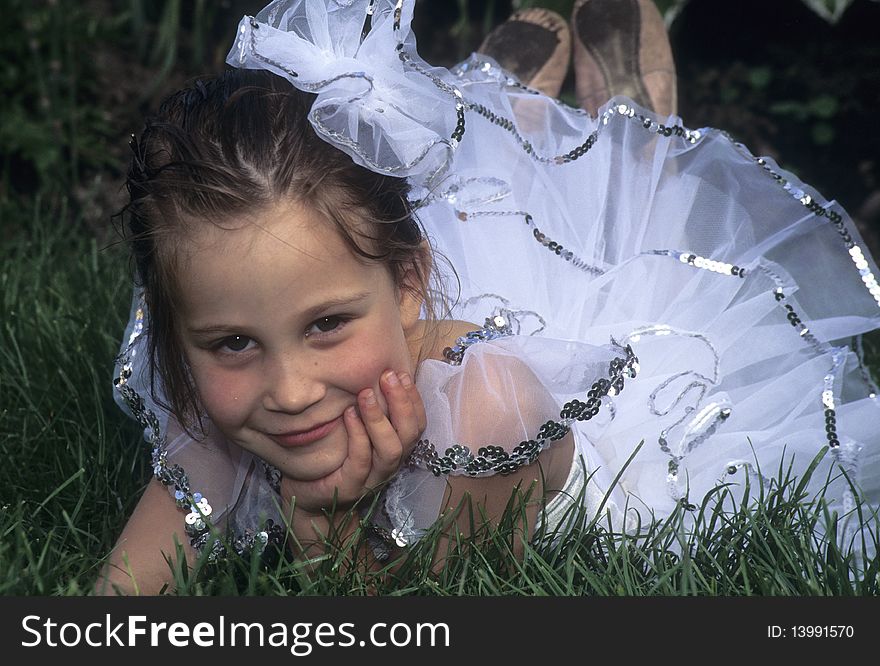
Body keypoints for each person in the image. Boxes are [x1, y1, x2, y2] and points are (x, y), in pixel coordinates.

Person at [98, 0, 880, 595]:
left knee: (640, 229)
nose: (292, 390)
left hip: (620, 410)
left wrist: (323, 526)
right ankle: (501, 107)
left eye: (328, 325)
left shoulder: (491, 413)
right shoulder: (220, 417)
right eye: (232, 343)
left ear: (408, 284)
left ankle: (634, 120)